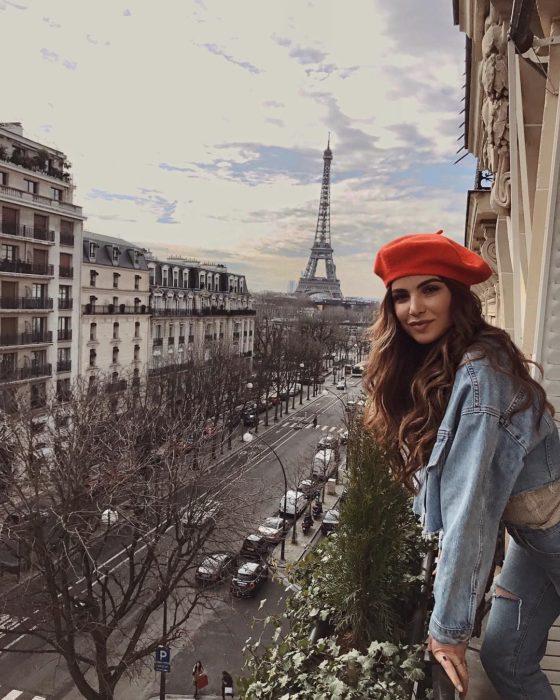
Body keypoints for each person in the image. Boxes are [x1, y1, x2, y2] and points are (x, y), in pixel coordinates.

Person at [364, 230, 560, 699]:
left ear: (457, 295)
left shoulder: (478, 377)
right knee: (505, 657)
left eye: (430, 288)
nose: (415, 308)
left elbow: (470, 509)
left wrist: (448, 631)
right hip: (534, 542)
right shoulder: (454, 364)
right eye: (401, 296)